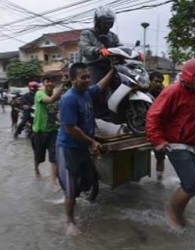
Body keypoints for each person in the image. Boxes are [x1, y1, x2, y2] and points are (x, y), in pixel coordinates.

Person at [146, 58, 195, 230]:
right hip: (177, 145)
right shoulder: (173, 91)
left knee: (191, 186)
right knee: (191, 185)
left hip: (193, 146)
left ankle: (179, 214)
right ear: (189, 73)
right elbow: (153, 115)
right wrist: (157, 139)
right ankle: (172, 213)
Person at [56, 62, 115, 236]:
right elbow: (70, 129)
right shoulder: (68, 99)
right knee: (72, 189)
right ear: (73, 79)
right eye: (83, 77)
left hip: (83, 148)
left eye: (88, 76)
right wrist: (92, 142)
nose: (87, 80)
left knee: (88, 181)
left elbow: (99, 86)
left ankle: (68, 192)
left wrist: (113, 70)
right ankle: (70, 222)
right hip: (68, 149)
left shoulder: (86, 92)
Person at [79, 6, 121, 119]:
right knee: (96, 89)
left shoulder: (113, 36)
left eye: (110, 23)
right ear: (97, 22)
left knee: (121, 82)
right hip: (93, 65)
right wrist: (97, 50)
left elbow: (120, 47)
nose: (107, 25)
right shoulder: (87, 33)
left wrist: (134, 53)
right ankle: (98, 114)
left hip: (110, 65)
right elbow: (84, 48)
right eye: (104, 23)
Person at [32, 74, 67, 189]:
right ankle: (36, 168)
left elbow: (56, 111)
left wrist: (59, 121)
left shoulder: (57, 94)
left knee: (54, 157)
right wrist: (63, 85)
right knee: (39, 157)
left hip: (53, 131)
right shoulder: (39, 93)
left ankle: (53, 181)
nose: (50, 83)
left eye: (52, 81)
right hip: (40, 132)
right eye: (47, 81)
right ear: (43, 83)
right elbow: (51, 100)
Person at [148, 71, 166, 181]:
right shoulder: (143, 90)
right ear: (150, 81)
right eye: (156, 81)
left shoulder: (164, 93)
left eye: (160, 82)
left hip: (158, 129)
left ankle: (159, 178)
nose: (158, 84)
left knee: (160, 156)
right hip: (143, 127)